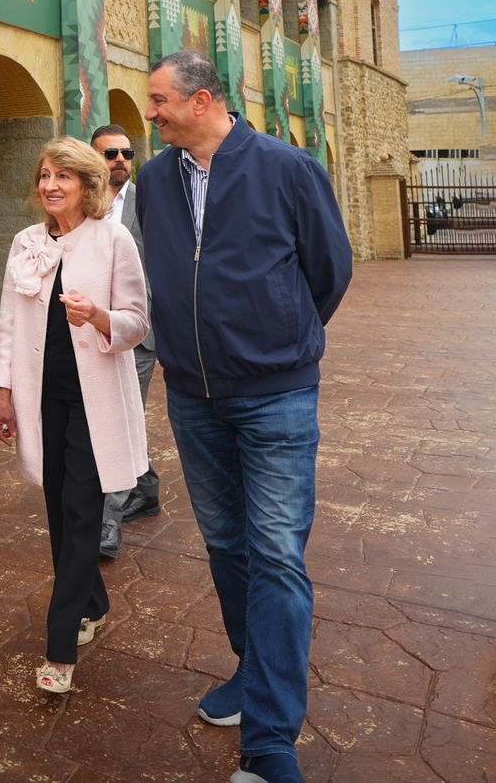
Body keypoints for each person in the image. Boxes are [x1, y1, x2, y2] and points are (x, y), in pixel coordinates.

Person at [139, 50, 352, 783]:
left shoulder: (289, 168)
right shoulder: (154, 180)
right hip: (192, 395)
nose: (151, 113)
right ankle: (254, 667)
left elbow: (330, 271)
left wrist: (276, 338)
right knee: (227, 543)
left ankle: (270, 740)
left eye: (160, 100)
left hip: (277, 395)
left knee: (277, 554)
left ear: (202, 100)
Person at [0, 137, 149, 695]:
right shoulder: (26, 242)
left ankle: (60, 647)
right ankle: (93, 602)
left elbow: (137, 322)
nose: (51, 185)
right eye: (44, 175)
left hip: (93, 399)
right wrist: (4, 393)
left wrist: (99, 316)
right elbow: (9, 324)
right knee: (59, 510)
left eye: (63, 176)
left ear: (87, 184)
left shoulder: (113, 238)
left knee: (82, 511)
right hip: (42, 398)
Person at [87, 124, 162, 560]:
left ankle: (107, 521)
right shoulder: (83, 202)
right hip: (91, 331)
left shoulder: (148, 202)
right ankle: (146, 488)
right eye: (110, 153)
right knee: (120, 417)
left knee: (115, 420)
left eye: (126, 154)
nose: (120, 160)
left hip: (139, 333)